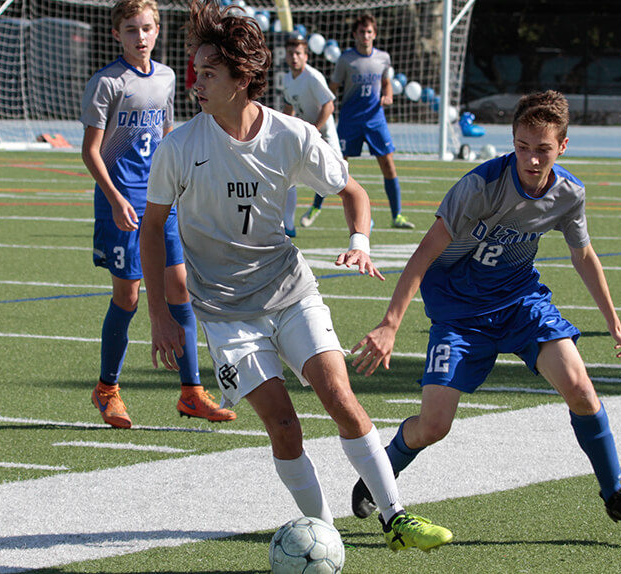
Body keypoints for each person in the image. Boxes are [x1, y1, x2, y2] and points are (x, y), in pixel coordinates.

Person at [141, 0, 453, 553]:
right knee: (283, 424)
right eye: (195, 70)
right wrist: (161, 316)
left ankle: (396, 516)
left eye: (208, 72)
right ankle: (323, 533)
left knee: (338, 394)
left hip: (290, 292)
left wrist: (359, 242)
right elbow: (151, 227)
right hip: (225, 314)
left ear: (242, 80)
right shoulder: (180, 146)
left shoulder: (291, 136)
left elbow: (353, 193)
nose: (195, 81)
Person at [349, 90, 621, 527]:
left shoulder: (569, 193)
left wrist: (615, 325)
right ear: (512, 139)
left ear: (563, 147)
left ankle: (614, 493)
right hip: (460, 314)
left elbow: (584, 256)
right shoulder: (480, 186)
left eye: (543, 150)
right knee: (434, 425)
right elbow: (424, 253)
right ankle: (379, 472)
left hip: (521, 305)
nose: (532, 160)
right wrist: (390, 324)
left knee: (581, 390)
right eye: (522, 147)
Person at [80, 0, 236, 429]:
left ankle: (192, 392)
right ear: (117, 34)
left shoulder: (167, 76)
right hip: (122, 202)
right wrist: (113, 198)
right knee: (127, 296)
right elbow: (91, 151)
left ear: (158, 30)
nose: (141, 37)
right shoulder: (108, 82)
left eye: (147, 28)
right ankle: (107, 389)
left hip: (161, 198)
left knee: (180, 290)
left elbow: (166, 135)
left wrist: (183, 185)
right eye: (131, 29)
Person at [301, 14, 414, 230]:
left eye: (369, 32)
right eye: (361, 32)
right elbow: (331, 88)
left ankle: (397, 216)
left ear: (375, 34)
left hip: (375, 120)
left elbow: (386, 82)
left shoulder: (383, 58)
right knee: (334, 165)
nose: (365, 36)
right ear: (355, 34)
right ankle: (315, 207)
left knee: (388, 165)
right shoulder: (346, 59)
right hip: (350, 120)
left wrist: (388, 95)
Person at [281, 33, 343, 238]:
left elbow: (329, 105)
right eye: (290, 53)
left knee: (338, 181)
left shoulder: (313, 77)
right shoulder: (288, 78)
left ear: (306, 56)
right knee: (287, 174)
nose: (294, 57)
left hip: (323, 135)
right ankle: (288, 226)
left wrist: (315, 129)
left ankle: (364, 220)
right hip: (304, 135)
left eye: (298, 53)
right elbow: (289, 106)